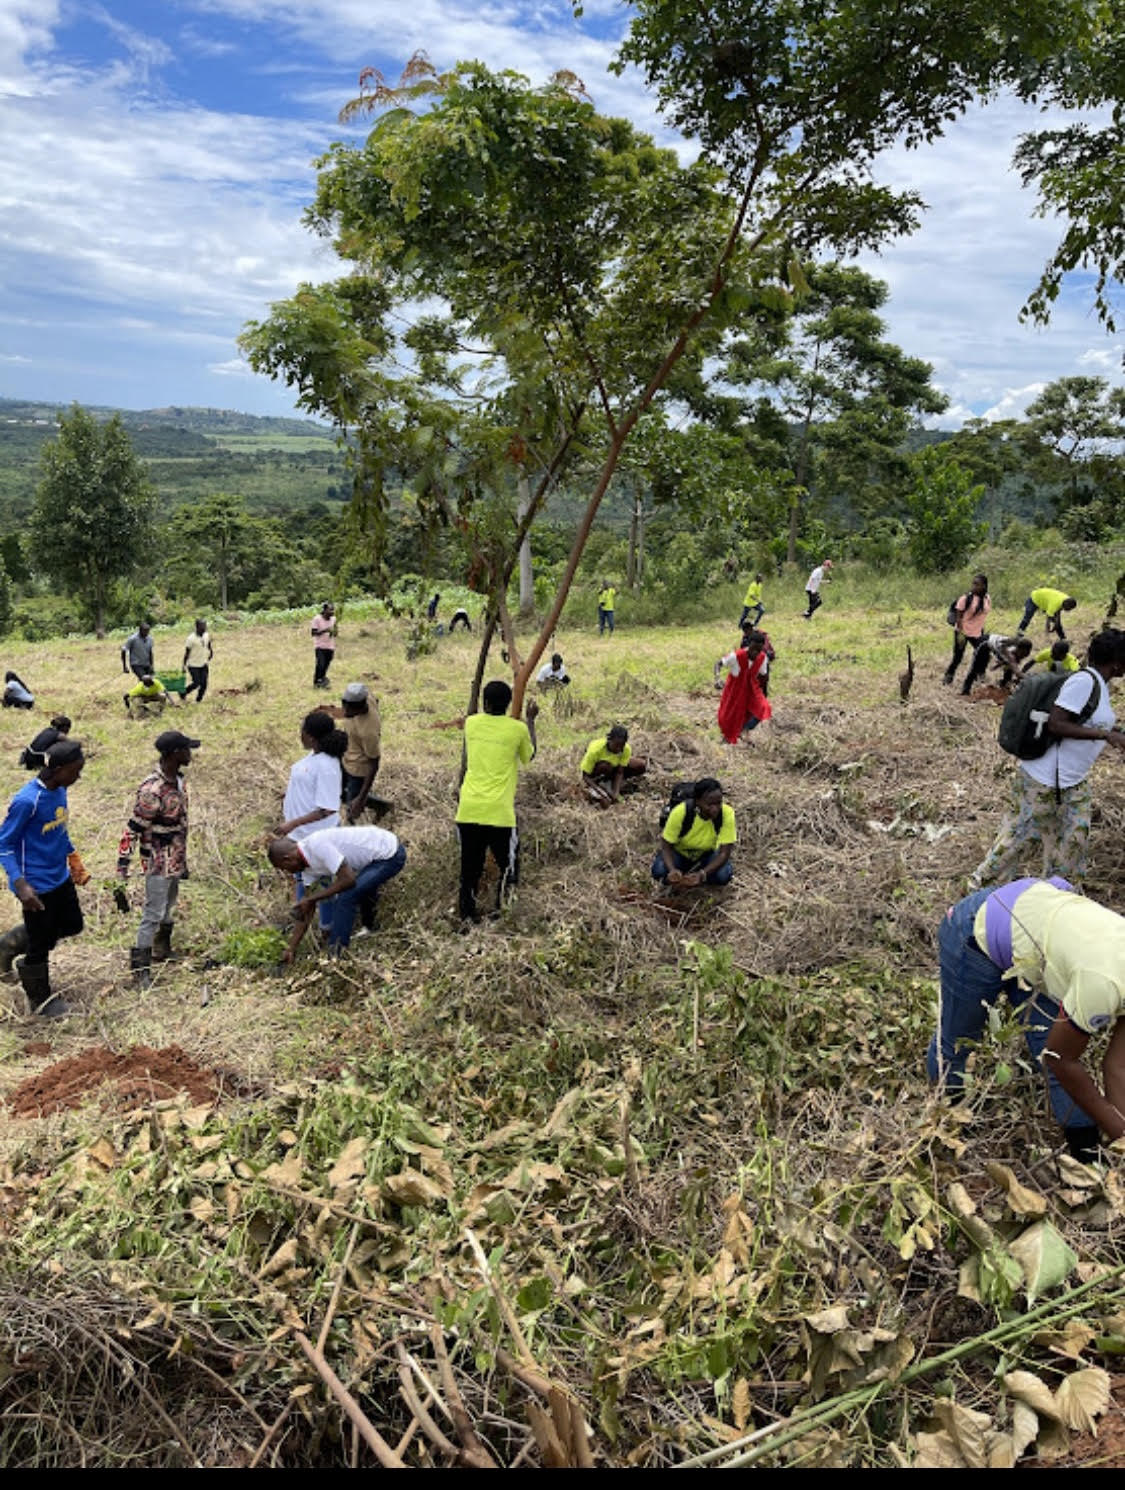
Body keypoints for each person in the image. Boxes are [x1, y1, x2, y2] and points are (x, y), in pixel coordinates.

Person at [926, 878, 1125, 1163]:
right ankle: (945, 1131)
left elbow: (1118, 1065)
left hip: (1038, 940)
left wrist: (1120, 1139)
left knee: (1050, 1047)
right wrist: (1118, 1129)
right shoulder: (1104, 984)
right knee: (956, 1045)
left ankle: (1086, 1159)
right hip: (978, 928)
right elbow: (1061, 1059)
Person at [971, 628, 1125, 889]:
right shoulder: (1084, 682)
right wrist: (1104, 735)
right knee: (1016, 841)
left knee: (1072, 847)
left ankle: (1057, 900)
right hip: (1042, 780)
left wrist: (1113, 732)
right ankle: (978, 895)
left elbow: (1085, 720)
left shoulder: (1100, 684)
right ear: (1118, 660)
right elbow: (1056, 724)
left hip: (1073, 782)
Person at [0, 739, 88, 1018]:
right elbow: (5, 845)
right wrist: (20, 884)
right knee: (40, 944)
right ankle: (41, 1001)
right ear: (58, 769)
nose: (79, 776)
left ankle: (9, 943)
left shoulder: (59, 790)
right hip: (36, 885)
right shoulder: (28, 801)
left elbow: (59, 829)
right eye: (76, 770)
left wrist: (73, 858)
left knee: (73, 924)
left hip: (59, 876)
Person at [117, 730, 200, 986]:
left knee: (169, 904)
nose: (190, 754)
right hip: (156, 859)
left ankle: (161, 948)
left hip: (174, 856)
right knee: (153, 912)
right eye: (187, 750)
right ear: (175, 754)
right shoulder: (153, 789)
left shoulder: (178, 781)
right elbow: (133, 829)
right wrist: (122, 867)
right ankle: (140, 970)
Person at [455, 680, 539, 922]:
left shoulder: (471, 724)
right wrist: (531, 721)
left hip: (468, 809)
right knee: (509, 866)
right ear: (509, 704)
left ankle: (467, 917)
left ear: (485, 702)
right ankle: (504, 912)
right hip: (499, 814)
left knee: (469, 870)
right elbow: (529, 755)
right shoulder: (517, 729)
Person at [268, 825, 406, 959]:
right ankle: (370, 929)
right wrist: (291, 948)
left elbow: (348, 880)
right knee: (360, 888)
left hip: (389, 854)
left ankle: (336, 955)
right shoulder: (306, 870)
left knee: (346, 897)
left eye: (284, 868)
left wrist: (311, 899)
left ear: (287, 858)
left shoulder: (317, 845)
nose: (286, 872)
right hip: (371, 860)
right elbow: (306, 910)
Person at [652, 777, 736, 891]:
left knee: (723, 875)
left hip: (706, 856)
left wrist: (702, 874)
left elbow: (724, 854)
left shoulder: (727, 814)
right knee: (659, 870)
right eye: (710, 804)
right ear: (697, 801)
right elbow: (666, 847)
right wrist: (672, 870)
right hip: (680, 854)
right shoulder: (681, 812)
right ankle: (679, 882)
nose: (715, 809)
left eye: (718, 803)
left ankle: (696, 880)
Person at [335, 682, 383, 823]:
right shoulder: (366, 697)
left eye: (350, 709)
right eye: (344, 705)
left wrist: (361, 798)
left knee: (352, 809)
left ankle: (378, 806)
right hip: (346, 756)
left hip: (358, 769)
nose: (345, 711)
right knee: (340, 793)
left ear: (361, 706)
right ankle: (375, 803)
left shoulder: (368, 732)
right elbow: (376, 699)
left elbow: (375, 763)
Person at [715, 630, 772, 744]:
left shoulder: (762, 657)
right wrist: (717, 678)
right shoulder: (736, 656)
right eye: (754, 649)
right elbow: (718, 664)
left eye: (759, 650)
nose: (755, 653)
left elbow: (764, 676)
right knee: (730, 715)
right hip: (735, 689)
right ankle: (728, 737)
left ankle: (743, 730)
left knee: (763, 708)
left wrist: (764, 693)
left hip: (751, 687)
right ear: (749, 644)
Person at [944, 573, 991, 687]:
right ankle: (948, 677)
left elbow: (983, 614)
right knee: (958, 657)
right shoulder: (965, 598)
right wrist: (960, 634)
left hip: (977, 632)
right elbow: (959, 618)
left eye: (977, 584)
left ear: (984, 586)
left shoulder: (987, 598)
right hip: (963, 631)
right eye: (973, 583)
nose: (973, 586)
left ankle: (979, 674)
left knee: (984, 654)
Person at [581, 725, 646, 806]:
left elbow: (620, 772)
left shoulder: (626, 749)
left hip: (613, 769)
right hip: (598, 771)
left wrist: (616, 793)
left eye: (621, 746)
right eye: (616, 745)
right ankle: (600, 784)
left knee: (640, 765)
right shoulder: (595, 749)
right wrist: (600, 792)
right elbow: (585, 776)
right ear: (609, 740)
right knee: (606, 766)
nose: (618, 749)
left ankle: (611, 784)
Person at [960, 632, 1033, 696]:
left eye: (1026, 655)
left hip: (998, 649)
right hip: (985, 642)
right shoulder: (1010, 653)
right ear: (1019, 649)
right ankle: (965, 689)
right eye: (1023, 654)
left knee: (1009, 668)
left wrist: (998, 665)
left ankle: (1004, 685)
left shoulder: (1015, 652)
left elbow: (1009, 663)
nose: (1023, 656)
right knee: (975, 666)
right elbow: (1016, 670)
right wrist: (1030, 680)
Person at [182, 618, 213, 702]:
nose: (204, 627)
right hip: (193, 664)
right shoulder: (191, 638)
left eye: (205, 625)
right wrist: (183, 665)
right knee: (196, 683)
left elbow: (209, 644)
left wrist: (211, 652)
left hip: (203, 663)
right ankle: (184, 692)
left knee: (204, 684)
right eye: (202, 626)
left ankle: (198, 700)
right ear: (197, 627)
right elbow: (186, 653)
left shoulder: (206, 635)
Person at [311, 602, 337, 688]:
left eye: (333, 610)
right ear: (325, 610)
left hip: (330, 646)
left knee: (326, 664)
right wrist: (325, 630)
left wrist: (334, 632)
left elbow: (335, 631)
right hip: (320, 646)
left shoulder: (333, 619)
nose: (332, 612)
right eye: (330, 610)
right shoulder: (317, 619)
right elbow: (313, 633)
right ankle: (317, 681)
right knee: (320, 664)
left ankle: (322, 680)